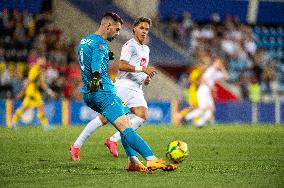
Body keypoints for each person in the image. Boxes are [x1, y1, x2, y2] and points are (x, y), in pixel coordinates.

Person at [69, 12, 176, 172]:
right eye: (117, 30)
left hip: (89, 92)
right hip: (104, 91)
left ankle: (132, 161)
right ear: (108, 26)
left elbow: (89, 59)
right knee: (126, 128)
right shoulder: (101, 43)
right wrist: (97, 76)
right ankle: (151, 159)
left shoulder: (85, 41)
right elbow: (97, 64)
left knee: (127, 122)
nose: (118, 33)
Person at [103, 17, 155, 157]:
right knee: (103, 119)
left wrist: (146, 78)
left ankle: (113, 140)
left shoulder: (146, 49)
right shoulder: (129, 45)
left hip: (136, 88)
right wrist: (143, 69)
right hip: (123, 86)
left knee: (142, 115)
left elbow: (140, 70)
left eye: (146, 29)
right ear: (134, 29)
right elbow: (122, 65)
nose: (144, 31)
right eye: (141, 28)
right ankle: (77, 145)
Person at [10, 57, 55, 128]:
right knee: (35, 106)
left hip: (34, 91)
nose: (43, 62)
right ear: (38, 61)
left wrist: (50, 91)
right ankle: (45, 125)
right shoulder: (35, 69)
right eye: (42, 61)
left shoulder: (41, 71)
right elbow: (29, 80)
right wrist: (22, 91)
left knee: (28, 107)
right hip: (31, 91)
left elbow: (42, 83)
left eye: (44, 61)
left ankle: (13, 121)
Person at [183, 57, 229, 127]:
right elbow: (203, 79)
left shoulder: (216, 72)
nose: (219, 64)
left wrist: (222, 68)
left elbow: (226, 77)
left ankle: (199, 123)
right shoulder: (211, 70)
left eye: (220, 63)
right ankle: (187, 117)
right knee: (203, 108)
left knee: (211, 109)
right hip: (202, 91)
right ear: (214, 63)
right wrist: (211, 87)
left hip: (207, 92)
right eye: (218, 63)